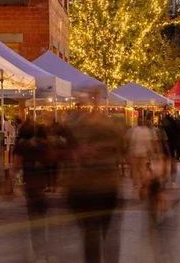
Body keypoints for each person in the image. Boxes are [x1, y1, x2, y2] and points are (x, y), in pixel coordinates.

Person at [66, 111, 124, 263]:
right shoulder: (111, 141)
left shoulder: (85, 141)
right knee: (102, 234)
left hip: (96, 192)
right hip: (101, 191)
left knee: (93, 235)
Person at [15, 118, 50, 260]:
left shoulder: (21, 145)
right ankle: (42, 248)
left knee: (33, 217)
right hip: (41, 184)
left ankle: (37, 249)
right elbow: (50, 159)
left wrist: (11, 183)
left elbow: (17, 164)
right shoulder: (42, 144)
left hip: (30, 185)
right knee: (41, 216)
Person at [127, 115, 156, 198]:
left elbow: (132, 142)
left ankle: (136, 184)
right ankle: (142, 183)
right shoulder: (147, 131)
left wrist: (130, 152)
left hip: (136, 153)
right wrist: (151, 152)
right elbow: (149, 143)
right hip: (143, 154)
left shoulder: (135, 130)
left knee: (135, 170)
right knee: (142, 169)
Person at [160, 107, 180, 184]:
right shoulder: (174, 124)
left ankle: (166, 176)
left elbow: (163, 137)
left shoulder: (165, 126)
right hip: (173, 145)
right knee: (172, 160)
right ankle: (172, 176)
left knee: (166, 161)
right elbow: (179, 134)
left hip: (167, 145)